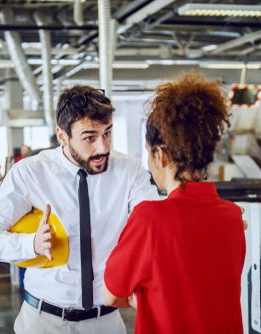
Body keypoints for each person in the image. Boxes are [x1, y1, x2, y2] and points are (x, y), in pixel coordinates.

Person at [0, 85, 159, 334]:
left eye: (107, 133)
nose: (103, 147)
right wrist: (32, 245)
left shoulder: (129, 171)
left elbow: (154, 225)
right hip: (44, 320)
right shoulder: (29, 173)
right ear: (62, 136)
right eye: (89, 137)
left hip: (105, 321)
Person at [102, 72, 246, 334]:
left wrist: (141, 299)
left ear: (161, 155)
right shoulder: (233, 217)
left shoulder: (150, 219)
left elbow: (110, 295)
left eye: (148, 152)